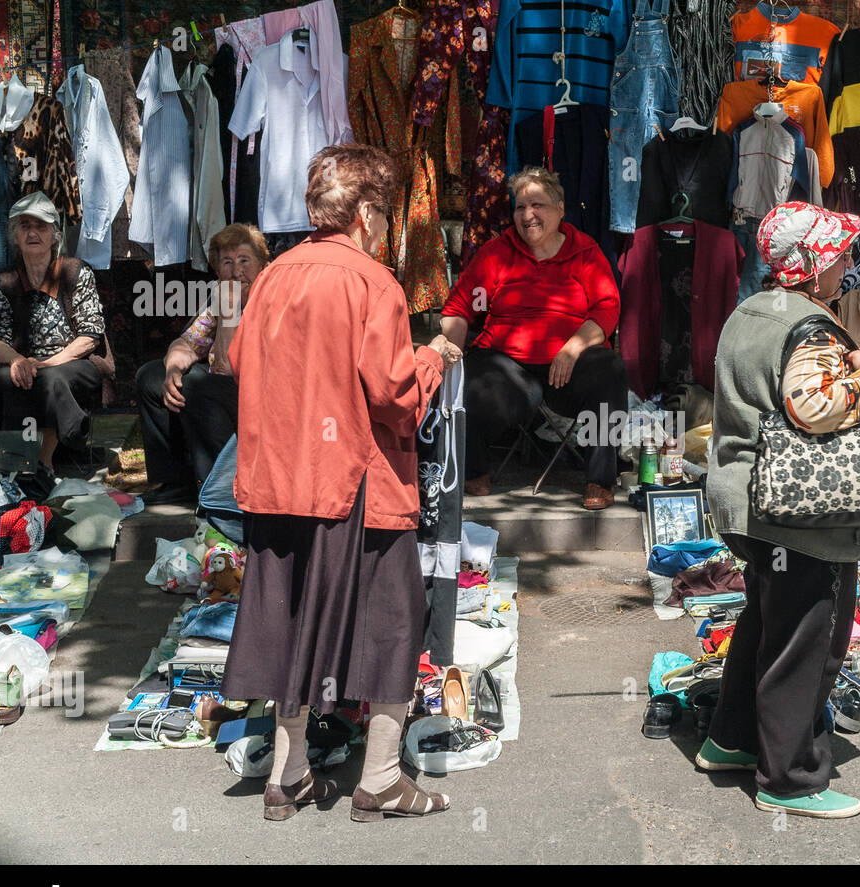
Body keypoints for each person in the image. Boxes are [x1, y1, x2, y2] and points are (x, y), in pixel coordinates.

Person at [219, 143, 462, 823]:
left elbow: (241, 361)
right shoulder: (371, 280)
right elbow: (391, 392)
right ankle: (381, 778)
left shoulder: (272, 275)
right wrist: (431, 358)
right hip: (355, 485)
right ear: (362, 212)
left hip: (277, 482)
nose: (385, 227)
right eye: (383, 213)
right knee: (393, 622)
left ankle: (287, 775)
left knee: (287, 620)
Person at [699, 201, 860, 819]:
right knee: (808, 639)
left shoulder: (750, 310)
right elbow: (813, 407)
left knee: (766, 623)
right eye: (838, 253)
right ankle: (790, 778)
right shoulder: (812, 328)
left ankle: (731, 740)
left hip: (749, 501)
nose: (847, 263)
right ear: (812, 266)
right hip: (803, 513)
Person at [440, 166, 628, 511]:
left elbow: (607, 309)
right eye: (520, 207)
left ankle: (600, 478)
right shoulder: (497, 252)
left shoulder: (585, 251)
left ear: (560, 208)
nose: (528, 215)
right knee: (466, 375)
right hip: (508, 367)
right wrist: (450, 348)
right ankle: (472, 470)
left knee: (611, 369)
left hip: (570, 365)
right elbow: (458, 306)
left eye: (537, 205)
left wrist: (572, 348)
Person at [135, 224, 270, 505]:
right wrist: (172, 371)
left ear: (261, 264)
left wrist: (230, 310)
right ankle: (176, 481)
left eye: (245, 260)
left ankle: (219, 490)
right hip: (216, 390)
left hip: (256, 398)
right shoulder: (221, 296)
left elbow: (227, 368)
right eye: (227, 263)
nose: (236, 271)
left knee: (198, 384)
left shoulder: (269, 301)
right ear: (216, 270)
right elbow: (185, 343)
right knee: (152, 376)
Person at [0, 192, 110, 472]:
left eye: (41, 226)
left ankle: (45, 461)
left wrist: (45, 363)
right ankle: (17, 461)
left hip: (72, 362)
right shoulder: (5, 281)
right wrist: (18, 360)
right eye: (25, 226)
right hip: (24, 361)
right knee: (7, 378)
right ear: (15, 236)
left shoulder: (75, 271)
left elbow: (90, 335)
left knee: (50, 379)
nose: (32, 233)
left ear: (54, 235)